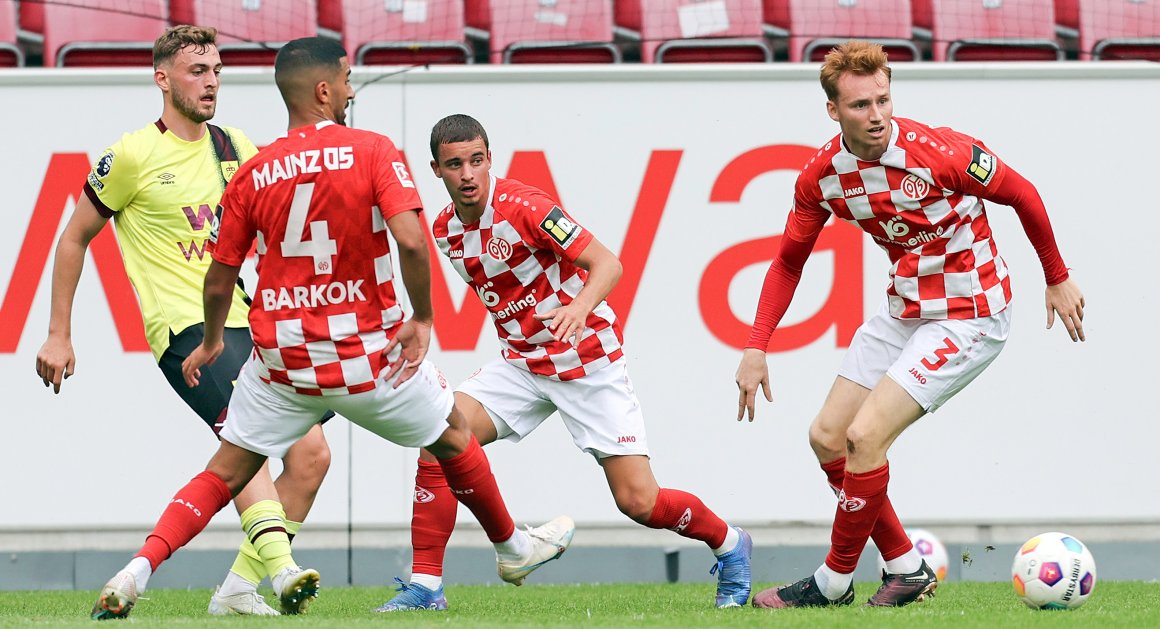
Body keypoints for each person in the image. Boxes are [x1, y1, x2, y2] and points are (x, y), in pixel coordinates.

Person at [88, 37, 574, 621]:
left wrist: (215, 341)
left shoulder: (254, 170)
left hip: (281, 363)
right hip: (365, 353)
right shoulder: (372, 150)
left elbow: (219, 281)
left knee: (227, 470)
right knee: (451, 432)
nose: (350, 89)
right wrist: (421, 318)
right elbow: (413, 240)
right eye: (345, 79)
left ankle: (136, 572)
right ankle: (512, 548)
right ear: (324, 90)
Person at [734, 40, 1086, 609]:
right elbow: (787, 261)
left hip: (972, 312)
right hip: (908, 309)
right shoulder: (824, 175)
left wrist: (1057, 275)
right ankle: (906, 566)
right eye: (859, 106)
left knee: (866, 436)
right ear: (832, 111)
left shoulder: (940, 152)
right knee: (827, 437)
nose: (876, 116)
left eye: (882, 100)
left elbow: (1022, 193)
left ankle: (833, 582)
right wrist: (757, 346)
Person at [373, 113, 752, 613]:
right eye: (455, 164)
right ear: (436, 170)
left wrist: (577, 308)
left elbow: (608, 264)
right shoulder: (444, 229)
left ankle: (730, 544)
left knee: (639, 501)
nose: (467, 174)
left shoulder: (526, 207)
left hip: (586, 360)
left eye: (477, 161)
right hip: (524, 365)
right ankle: (426, 587)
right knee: (439, 436)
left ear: (490, 159)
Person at [34, 26, 331, 617]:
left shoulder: (234, 146)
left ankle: (236, 589)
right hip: (186, 332)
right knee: (245, 446)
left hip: (250, 323)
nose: (212, 81)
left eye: (217, 69)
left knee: (311, 456)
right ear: (162, 79)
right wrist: (59, 332)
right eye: (198, 71)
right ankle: (281, 569)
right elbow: (72, 239)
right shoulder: (133, 155)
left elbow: (279, 213)